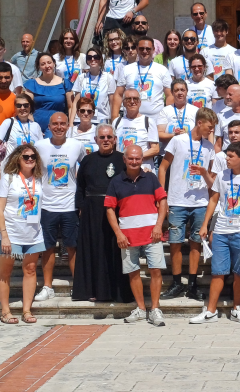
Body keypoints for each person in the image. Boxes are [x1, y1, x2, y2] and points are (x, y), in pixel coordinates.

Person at [191, 141, 240, 325]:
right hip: (221, 229)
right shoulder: (222, 176)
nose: (226, 159)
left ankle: (237, 309)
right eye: (226, 155)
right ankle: (210, 311)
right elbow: (214, 200)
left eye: (231, 156)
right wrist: (206, 224)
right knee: (218, 272)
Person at [158, 108, 218, 303]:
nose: (211, 130)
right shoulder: (178, 141)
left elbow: (211, 182)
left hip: (200, 201)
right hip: (177, 200)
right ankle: (176, 283)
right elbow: (163, 168)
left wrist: (203, 173)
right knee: (175, 243)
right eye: (210, 126)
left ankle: (192, 284)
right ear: (199, 123)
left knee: (196, 243)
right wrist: (162, 197)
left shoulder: (209, 147)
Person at [105, 144, 168, 327]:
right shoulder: (116, 181)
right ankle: (141, 309)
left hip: (152, 234)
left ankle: (155, 309)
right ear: (124, 160)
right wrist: (118, 234)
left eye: (138, 158)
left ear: (142, 159)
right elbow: (109, 209)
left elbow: (162, 202)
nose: (134, 161)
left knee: (156, 270)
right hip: (128, 237)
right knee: (133, 273)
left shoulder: (151, 178)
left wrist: (158, 226)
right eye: (131, 158)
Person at [73, 124, 131, 302]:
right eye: (102, 137)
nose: (106, 140)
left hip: (117, 211)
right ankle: (93, 291)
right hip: (92, 211)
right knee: (94, 251)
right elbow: (80, 186)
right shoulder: (88, 161)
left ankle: (117, 292)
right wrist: (81, 208)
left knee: (115, 251)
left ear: (115, 139)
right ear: (96, 140)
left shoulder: (123, 159)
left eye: (109, 137)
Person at [33, 113, 85, 302]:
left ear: (67, 126)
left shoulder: (76, 145)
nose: (59, 127)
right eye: (55, 124)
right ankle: (47, 286)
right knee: (48, 248)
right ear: (49, 126)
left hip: (70, 205)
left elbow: (84, 169)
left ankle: (79, 285)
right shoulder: (40, 146)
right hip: (47, 205)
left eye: (63, 123)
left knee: (73, 247)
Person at [0, 144, 46, 325]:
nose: (30, 159)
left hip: (33, 233)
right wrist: (4, 235)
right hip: (11, 232)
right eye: (26, 157)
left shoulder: (39, 179)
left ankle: (26, 310)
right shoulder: (8, 178)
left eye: (33, 157)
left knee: (31, 270)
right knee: (5, 272)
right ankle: (5, 311)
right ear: (18, 158)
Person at [117, 36, 172, 124]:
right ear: (137, 49)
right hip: (131, 120)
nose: (145, 51)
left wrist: (169, 119)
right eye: (142, 49)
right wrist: (114, 118)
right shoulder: (127, 69)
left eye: (148, 49)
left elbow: (169, 95)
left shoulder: (162, 70)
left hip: (156, 120)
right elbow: (118, 94)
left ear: (153, 50)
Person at [0, 93, 44, 183]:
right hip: (11, 169)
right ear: (15, 108)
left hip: (30, 170)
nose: (22, 108)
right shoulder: (8, 122)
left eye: (26, 105)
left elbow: (41, 149)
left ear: (30, 107)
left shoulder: (36, 126)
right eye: (19, 105)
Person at [23, 53, 73, 134]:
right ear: (39, 67)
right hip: (35, 125)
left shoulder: (65, 83)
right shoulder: (32, 84)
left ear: (54, 63)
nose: (47, 66)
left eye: (49, 62)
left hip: (57, 127)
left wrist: (70, 125)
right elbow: (26, 107)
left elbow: (71, 107)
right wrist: (34, 127)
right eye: (43, 64)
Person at [113, 88, 160, 172]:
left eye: (135, 99)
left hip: (143, 169)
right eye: (128, 99)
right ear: (123, 103)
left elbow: (155, 149)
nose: (132, 101)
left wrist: (133, 159)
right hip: (121, 169)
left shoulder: (148, 121)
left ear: (140, 103)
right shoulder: (116, 122)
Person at [71, 48, 117, 124]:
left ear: (101, 59)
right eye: (89, 57)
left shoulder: (108, 78)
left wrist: (112, 123)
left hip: (101, 120)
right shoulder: (81, 77)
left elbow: (112, 103)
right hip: (81, 120)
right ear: (87, 61)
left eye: (96, 57)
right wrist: (71, 123)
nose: (93, 59)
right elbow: (76, 102)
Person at [157, 79, 199, 154]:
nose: (180, 93)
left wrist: (186, 135)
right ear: (172, 93)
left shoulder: (196, 111)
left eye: (182, 90)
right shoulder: (165, 111)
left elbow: (200, 133)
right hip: (167, 154)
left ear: (187, 92)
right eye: (176, 90)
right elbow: (159, 134)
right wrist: (174, 135)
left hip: (189, 154)